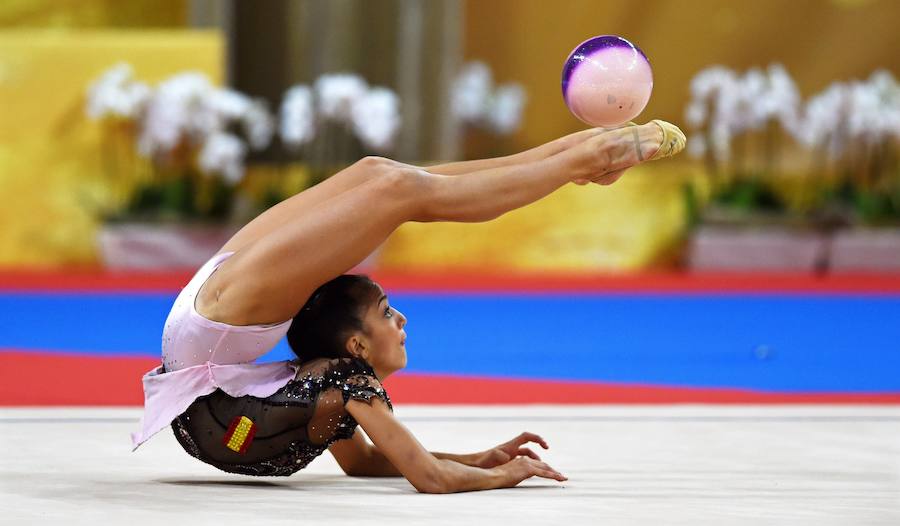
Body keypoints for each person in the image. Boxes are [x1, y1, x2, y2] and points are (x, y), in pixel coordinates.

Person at [132, 120, 686, 493]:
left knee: (389, 180)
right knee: (385, 179)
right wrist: (492, 468)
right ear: (354, 347)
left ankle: (576, 156)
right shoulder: (329, 388)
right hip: (208, 326)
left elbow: (394, 467)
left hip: (215, 322)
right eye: (386, 313)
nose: (402, 321)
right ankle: (579, 156)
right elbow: (400, 470)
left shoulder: (325, 387)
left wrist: (474, 463)